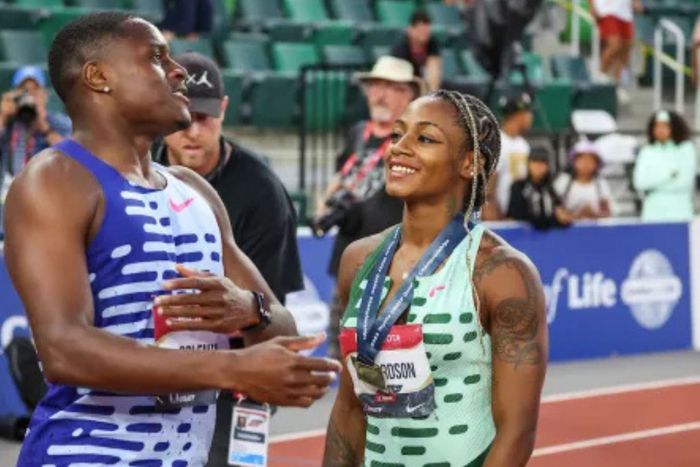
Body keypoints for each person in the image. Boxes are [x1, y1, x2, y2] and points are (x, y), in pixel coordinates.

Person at [3, 12, 340, 466]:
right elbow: (64, 350)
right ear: (98, 77)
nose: (179, 70)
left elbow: (281, 330)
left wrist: (250, 309)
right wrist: (232, 368)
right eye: (157, 58)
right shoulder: (55, 179)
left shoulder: (195, 190)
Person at [322, 90, 547, 466]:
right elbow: (349, 408)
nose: (399, 148)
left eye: (425, 138)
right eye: (397, 135)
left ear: (470, 162)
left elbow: (517, 430)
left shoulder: (503, 274)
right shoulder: (358, 261)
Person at [152, 52, 304, 467]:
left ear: (223, 109)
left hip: (234, 372)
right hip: (152, 366)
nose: (192, 131)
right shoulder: (137, 169)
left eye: (204, 117)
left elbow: (270, 314)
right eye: (183, 116)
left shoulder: (262, 192)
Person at [315, 56, 422, 359]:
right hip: (349, 254)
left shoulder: (413, 140)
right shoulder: (359, 132)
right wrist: (324, 202)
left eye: (391, 88)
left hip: (392, 261)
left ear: (408, 95)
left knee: (392, 354)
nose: (380, 95)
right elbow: (342, 173)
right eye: (375, 86)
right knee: (342, 347)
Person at [0, 66, 71, 190]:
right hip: (8, 193)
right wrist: (2, 116)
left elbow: (73, 158)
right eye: (24, 90)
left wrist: (44, 127)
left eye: (35, 90)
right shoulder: (8, 124)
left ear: (45, 95)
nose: (30, 96)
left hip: (45, 192)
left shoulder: (60, 123)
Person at [633, 110, 696, 221]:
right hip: (652, 211)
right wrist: (670, 175)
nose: (660, 130)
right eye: (657, 126)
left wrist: (653, 181)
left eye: (665, 126)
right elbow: (639, 182)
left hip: (680, 210)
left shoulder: (686, 149)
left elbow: (684, 182)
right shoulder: (647, 151)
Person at [588, 0, 643, 103]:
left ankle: (617, 85)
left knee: (625, 51)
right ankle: (600, 76)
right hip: (606, 11)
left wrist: (636, 2)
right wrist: (592, 7)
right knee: (615, 45)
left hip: (625, 13)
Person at [508, 145, 573, 229]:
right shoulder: (519, 186)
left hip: (548, 235)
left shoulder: (550, 189)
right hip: (522, 235)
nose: (538, 165)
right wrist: (554, 219)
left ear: (548, 166)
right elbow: (517, 215)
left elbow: (559, 211)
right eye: (534, 161)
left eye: (542, 162)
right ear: (528, 164)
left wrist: (564, 216)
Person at [491, 92, 533, 219]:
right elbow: (489, 184)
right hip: (499, 215)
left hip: (519, 213)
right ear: (518, 115)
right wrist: (495, 213)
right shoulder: (496, 142)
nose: (531, 117)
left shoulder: (524, 145)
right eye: (528, 113)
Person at [554, 140, 613, 219]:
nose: (586, 164)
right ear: (574, 162)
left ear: (596, 164)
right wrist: (576, 216)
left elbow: (607, 213)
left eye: (591, 160)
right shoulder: (563, 181)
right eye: (582, 159)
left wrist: (593, 215)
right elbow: (555, 210)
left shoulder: (601, 184)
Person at [390, 10, 442, 92]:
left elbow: (434, 70)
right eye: (420, 31)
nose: (424, 35)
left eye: (427, 32)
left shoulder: (432, 43)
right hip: (406, 83)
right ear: (410, 30)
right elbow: (401, 76)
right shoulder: (401, 47)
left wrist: (433, 92)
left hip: (424, 83)